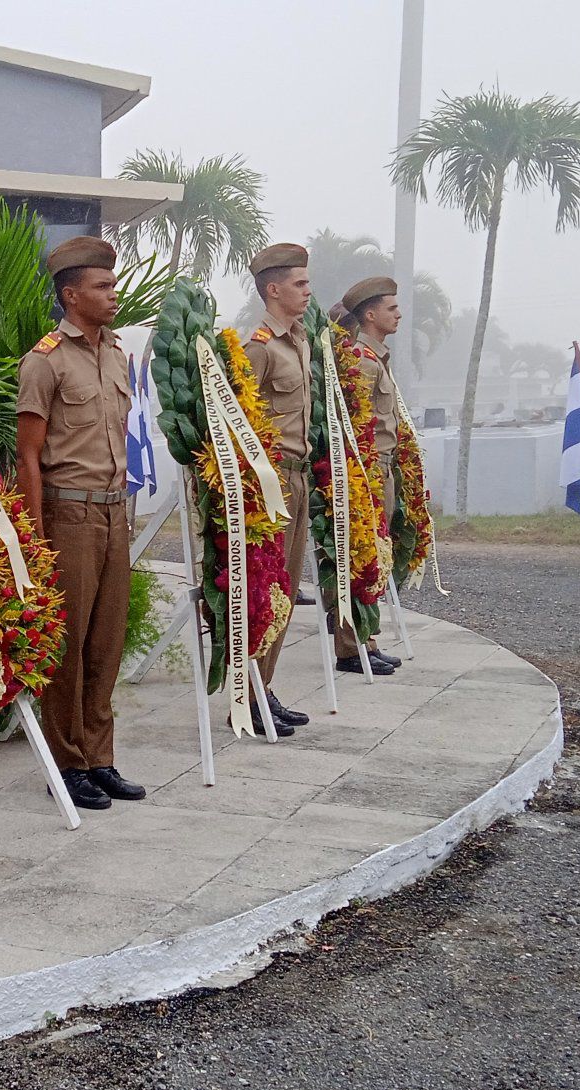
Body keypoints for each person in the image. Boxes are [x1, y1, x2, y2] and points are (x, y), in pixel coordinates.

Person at [16, 235, 146, 809]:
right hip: (67, 516)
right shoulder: (44, 361)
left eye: (112, 284)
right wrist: (36, 540)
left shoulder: (117, 354)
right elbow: (27, 456)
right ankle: (65, 763)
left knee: (106, 641)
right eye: (102, 286)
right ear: (71, 295)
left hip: (115, 513)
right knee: (66, 647)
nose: (113, 294)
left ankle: (100, 757)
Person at [239, 243, 320, 736]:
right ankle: (246, 694)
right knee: (263, 590)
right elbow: (240, 422)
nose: (308, 291)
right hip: (269, 484)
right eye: (299, 283)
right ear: (273, 289)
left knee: (285, 590)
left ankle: (263, 688)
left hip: (298, 475)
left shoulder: (301, 341)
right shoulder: (259, 347)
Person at [333, 276, 404, 671]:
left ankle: (365, 638)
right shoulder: (361, 358)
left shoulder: (377, 358)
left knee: (375, 556)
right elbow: (356, 423)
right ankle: (351, 645)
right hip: (367, 469)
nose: (399, 314)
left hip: (383, 466)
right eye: (391, 308)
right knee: (360, 555)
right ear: (371, 314)